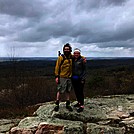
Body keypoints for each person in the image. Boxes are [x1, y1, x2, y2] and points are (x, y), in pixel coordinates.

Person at [54, 43, 73, 112]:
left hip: (69, 77)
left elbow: (78, 56)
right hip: (62, 77)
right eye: (65, 49)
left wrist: (83, 58)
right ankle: (57, 103)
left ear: (70, 50)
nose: (66, 50)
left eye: (68, 49)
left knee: (68, 90)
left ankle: (68, 103)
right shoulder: (61, 58)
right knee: (60, 90)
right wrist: (56, 76)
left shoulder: (71, 56)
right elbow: (57, 67)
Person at [72, 48, 86, 112]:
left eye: (77, 53)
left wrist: (83, 78)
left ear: (79, 54)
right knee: (76, 91)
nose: (76, 54)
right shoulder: (73, 59)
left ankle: (82, 105)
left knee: (80, 92)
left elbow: (84, 70)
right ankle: (79, 102)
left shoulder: (82, 60)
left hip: (80, 78)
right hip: (74, 78)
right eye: (75, 53)